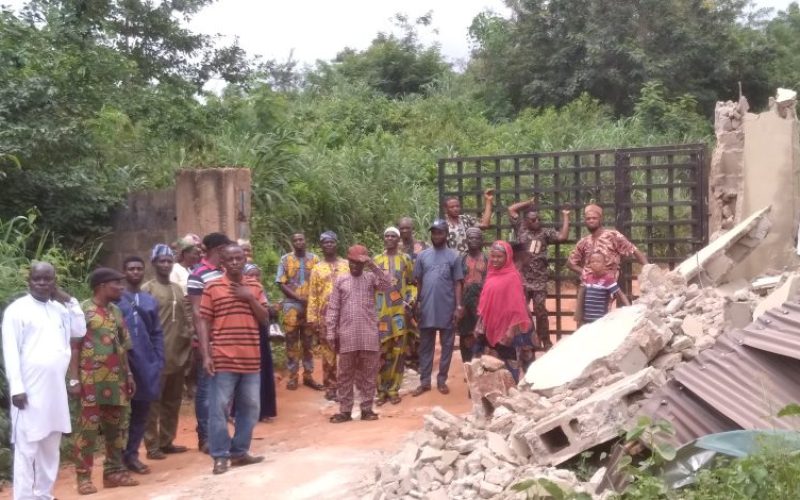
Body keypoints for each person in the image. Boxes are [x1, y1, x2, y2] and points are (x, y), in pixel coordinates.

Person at [2, 262, 86, 500]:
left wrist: (68, 300)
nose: (42, 283)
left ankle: (44, 494)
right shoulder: (17, 311)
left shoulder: (59, 310)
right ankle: (24, 497)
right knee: (27, 448)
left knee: (51, 446)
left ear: (54, 281)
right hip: (28, 392)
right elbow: (11, 351)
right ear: (29, 280)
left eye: (47, 279)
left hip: (55, 392)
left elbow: (79, 330)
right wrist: (16, 388)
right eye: (37, 279)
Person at [198, 244, 269, 475]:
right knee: (218, 408)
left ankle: (239, 452)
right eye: (231, 259)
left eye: (239, 258)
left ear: (244, 259)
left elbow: (265, 319)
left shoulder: (255, 287)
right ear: (223, 263)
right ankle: (220, 455)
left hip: (251, 359)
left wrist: (250, 298)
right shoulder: (212, 287)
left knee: (250, 407)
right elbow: (204, 322)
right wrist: (206, 354)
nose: (236, 262)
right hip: (223, 358)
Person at [73, 267, 138, 494]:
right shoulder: (82, 310)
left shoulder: (116, 311)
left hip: (116, 379)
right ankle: (83, 478)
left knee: (117, 428)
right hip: (90, 379)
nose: (121, 288)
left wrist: (129, 375)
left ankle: (113, 472)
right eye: (116, 284)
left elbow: (123, 346)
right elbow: (73, 346)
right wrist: (73, 378)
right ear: (101, 286)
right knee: (88, 430)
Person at [326, 245, 391, 423]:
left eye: (358, 263)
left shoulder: (371, 278)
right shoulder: (341, 280)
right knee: (345, 374)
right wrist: (331, 332)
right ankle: (345, 411)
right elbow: (333, 308)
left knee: (369, 374)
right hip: (347, 335)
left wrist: (372, 264)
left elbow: (387, 285)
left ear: (364, 264)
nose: (354, 266)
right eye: (352, 262)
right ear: (348, 261)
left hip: (369, 334)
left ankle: (367, 409)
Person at [117, 256, 165, 475]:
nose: (135, 272)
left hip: (145, 362)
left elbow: (156, 332)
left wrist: (158, 359)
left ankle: (132, 455)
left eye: (138, 268)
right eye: (130, 268)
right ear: (124, 272)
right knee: (117, 413)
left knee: (141, 411)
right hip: (121, 363)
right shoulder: (115, 299)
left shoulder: (148, 300)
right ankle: (114, 458)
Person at [142, 245, 191, 460]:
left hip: (178, 354)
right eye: (161, 261)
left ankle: (167, 441)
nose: (166, 265)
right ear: (153, 263)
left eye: (169, 261)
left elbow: (186, 318)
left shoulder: (178, 289)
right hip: (156, 356)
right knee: (153, 403)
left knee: (173, 400)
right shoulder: (147, 289)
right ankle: (152, 445)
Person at [187, 232, 232, 453]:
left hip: (227, 340)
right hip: (208, 341)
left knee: (224, 390)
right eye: (227, 249)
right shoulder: (198, 275)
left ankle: (220, 433)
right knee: (205, 391)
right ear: (219, 249)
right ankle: (204, 437)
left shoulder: (224, 272)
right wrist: (205, 347)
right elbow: (197, 313)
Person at [567, 204, 647, 325]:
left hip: (606, 285)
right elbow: (570, 263)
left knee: (602, 318)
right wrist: (583, 272)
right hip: (588, 286)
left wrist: (648, 268)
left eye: (594, 218)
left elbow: (633, 250)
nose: (591, 221)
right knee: (583, 320)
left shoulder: (613, 236)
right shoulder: (584, 241)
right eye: (588, 219)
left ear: (600, 219)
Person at [507, 198, 570, 349]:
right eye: (533, 219)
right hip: (522, 280)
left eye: (538, 219)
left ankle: (545, 340)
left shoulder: (544, 233)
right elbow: (511, 209)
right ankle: (524, 339)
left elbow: (562, 237)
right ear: (526, 221)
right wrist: (528, 203)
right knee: (521, 311)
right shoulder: (521, 228)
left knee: (540, 311)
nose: (536, 221)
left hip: (539, 280)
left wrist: (566, 216)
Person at [412, 219, 464, 396]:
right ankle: (425, 381)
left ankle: (442, 380)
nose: (436, 235)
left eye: (440, 232)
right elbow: (418, 282)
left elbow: (458, 283)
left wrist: (458, 306)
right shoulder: (422, 256)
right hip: (427, 308)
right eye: (434, 232)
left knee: (447, 345)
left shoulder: (454, 256)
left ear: (446, 234)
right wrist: (417, 303)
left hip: (447, 307)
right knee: (425, 346)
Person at [476, 241, 533, 382]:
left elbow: (517, 307)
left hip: (508, 327)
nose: (495, 260)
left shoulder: (513, 277)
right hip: (491, 324)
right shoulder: (491, 274)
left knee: (509, 362)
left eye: (499, 256)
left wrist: (511, 331)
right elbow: (485, 303)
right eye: (493, 256)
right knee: (491, 362)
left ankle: (511, 395)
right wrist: (479, 323)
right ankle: (495, 396)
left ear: (507, 257)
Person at [374, 227, 417, 406]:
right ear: (383, 239)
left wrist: (411, 300)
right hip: (380, 315)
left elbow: (412, 283)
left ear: (398, 240)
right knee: (381, 353)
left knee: (399, 353)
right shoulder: (376, 261)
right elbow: (371, 286)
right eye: (387, 236)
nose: (390, 238)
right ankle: (381, 391)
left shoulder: (405, 260)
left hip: (399, 314)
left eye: (393, 236)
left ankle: (393, 390)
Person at [276, 232, 322, 391]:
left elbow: (320, 281)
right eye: (295, 240)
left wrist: (313, 300)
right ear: (292, 242)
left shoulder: (315, 259)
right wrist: (298, 297)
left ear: (306, 241)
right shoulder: (285, 260)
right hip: (291, 307)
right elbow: (281, 283)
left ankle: (308, 375)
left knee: (308, 343)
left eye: (301, 239)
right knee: (291, 342)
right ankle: (293, 376)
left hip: (310, 307)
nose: (298, 242)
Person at [306, 231, 349, 401]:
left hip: (346, 315)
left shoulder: (346, 265)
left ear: (336, 244)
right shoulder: (317, 269)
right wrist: (312, 318)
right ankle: (331, 387)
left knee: (346, 352)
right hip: (325, 317)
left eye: (331, 242)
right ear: (321, 246)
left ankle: (346, 386)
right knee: (328, 353)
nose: (328, 245)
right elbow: (313, 295)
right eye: (325, 243)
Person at [243, 263, 277, 421]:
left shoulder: (260, 291)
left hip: (260, 335)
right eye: (251, 275)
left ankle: (264, 411)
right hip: (244, 335)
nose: (255, 279)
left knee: (263, 371)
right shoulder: (240, 291)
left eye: (257, 275)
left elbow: (265, 315)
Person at [396, 217, 426, 371]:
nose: (404, 231)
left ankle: (420, 360)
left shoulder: (421, 246)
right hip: (401, 291)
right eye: (402, 228)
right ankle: (407, 359)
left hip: (418, 288)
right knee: (403, 325)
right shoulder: (396, 246)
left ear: (412, 228)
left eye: (407, 228)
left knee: (418, 323)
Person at [458, 227, 487, 364]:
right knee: (465, 335)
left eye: (476, 238)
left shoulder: (487, 259)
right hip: (465, 302)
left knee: (481, 333)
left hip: (481, 302)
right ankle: (467, 365)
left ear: (481, 241)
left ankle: (481, 365)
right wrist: (458, 304)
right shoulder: (461, 259)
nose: (473, 240)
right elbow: (457, 282)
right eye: (470, 238)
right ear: (466, 240)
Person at [582, 252, 630, 324]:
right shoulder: (587, 278)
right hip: (587, 320)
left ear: (604, 264)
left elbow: (620, 294)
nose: (595, 263)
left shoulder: (608, 279)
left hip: (601, 320)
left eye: (598, 261)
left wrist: (630, 308)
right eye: (592, 261)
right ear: (589, 264)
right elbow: (583, 297)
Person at [444, 188, 494, 255]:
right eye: (452, 207)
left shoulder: (465, 218)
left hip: (469, 259)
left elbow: (484, 225)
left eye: (457, 206)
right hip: (453, 261)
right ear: (445, 209)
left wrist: (488, 201)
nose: (455, 209)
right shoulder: (443, 224)